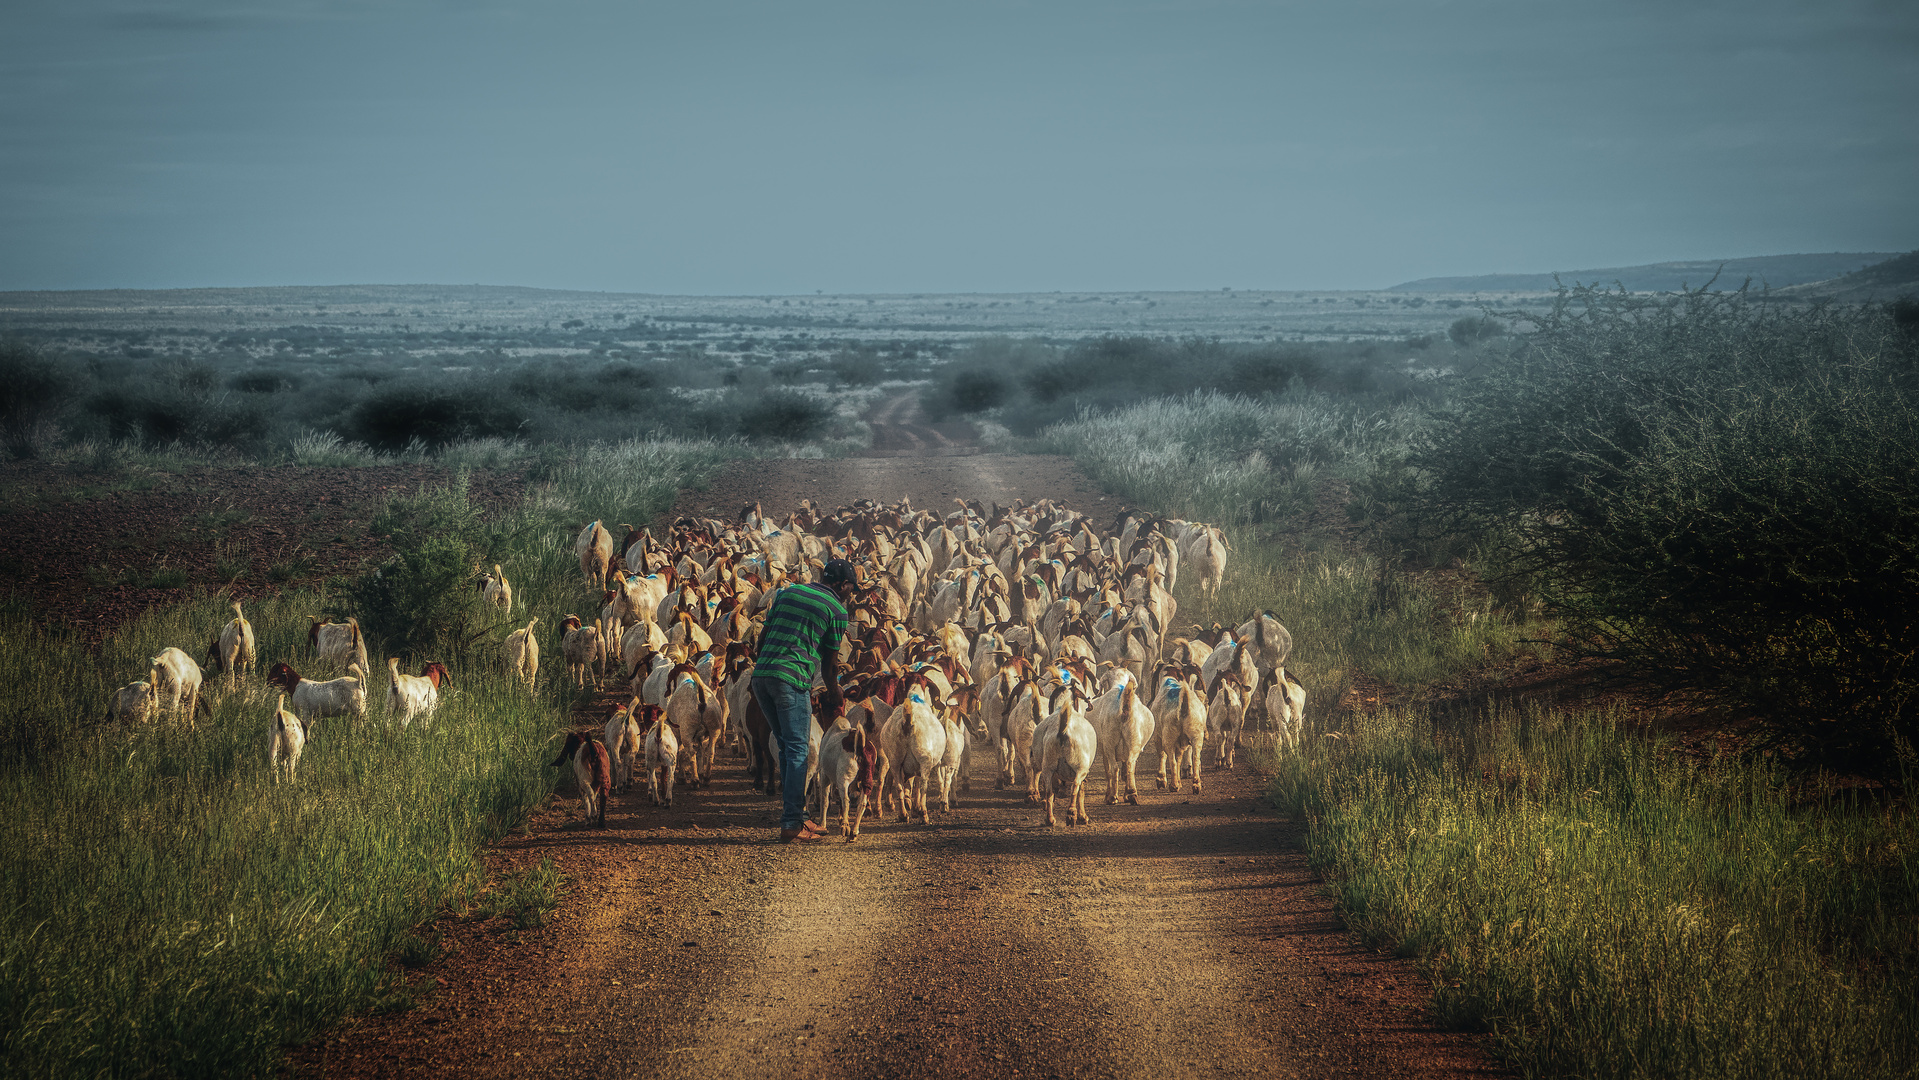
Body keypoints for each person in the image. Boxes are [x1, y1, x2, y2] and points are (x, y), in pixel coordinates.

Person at [750, 557, 856, 843]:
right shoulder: (836, 609)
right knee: (798, 749)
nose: (851, 594)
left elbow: (761, 641)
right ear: (843, 585)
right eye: (851, 588)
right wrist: (833, 690)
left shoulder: (787, 592)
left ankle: (799, 816)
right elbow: (830, 663)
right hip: (791, 679)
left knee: (786, 746)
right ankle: (792, 823)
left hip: (761, 676)